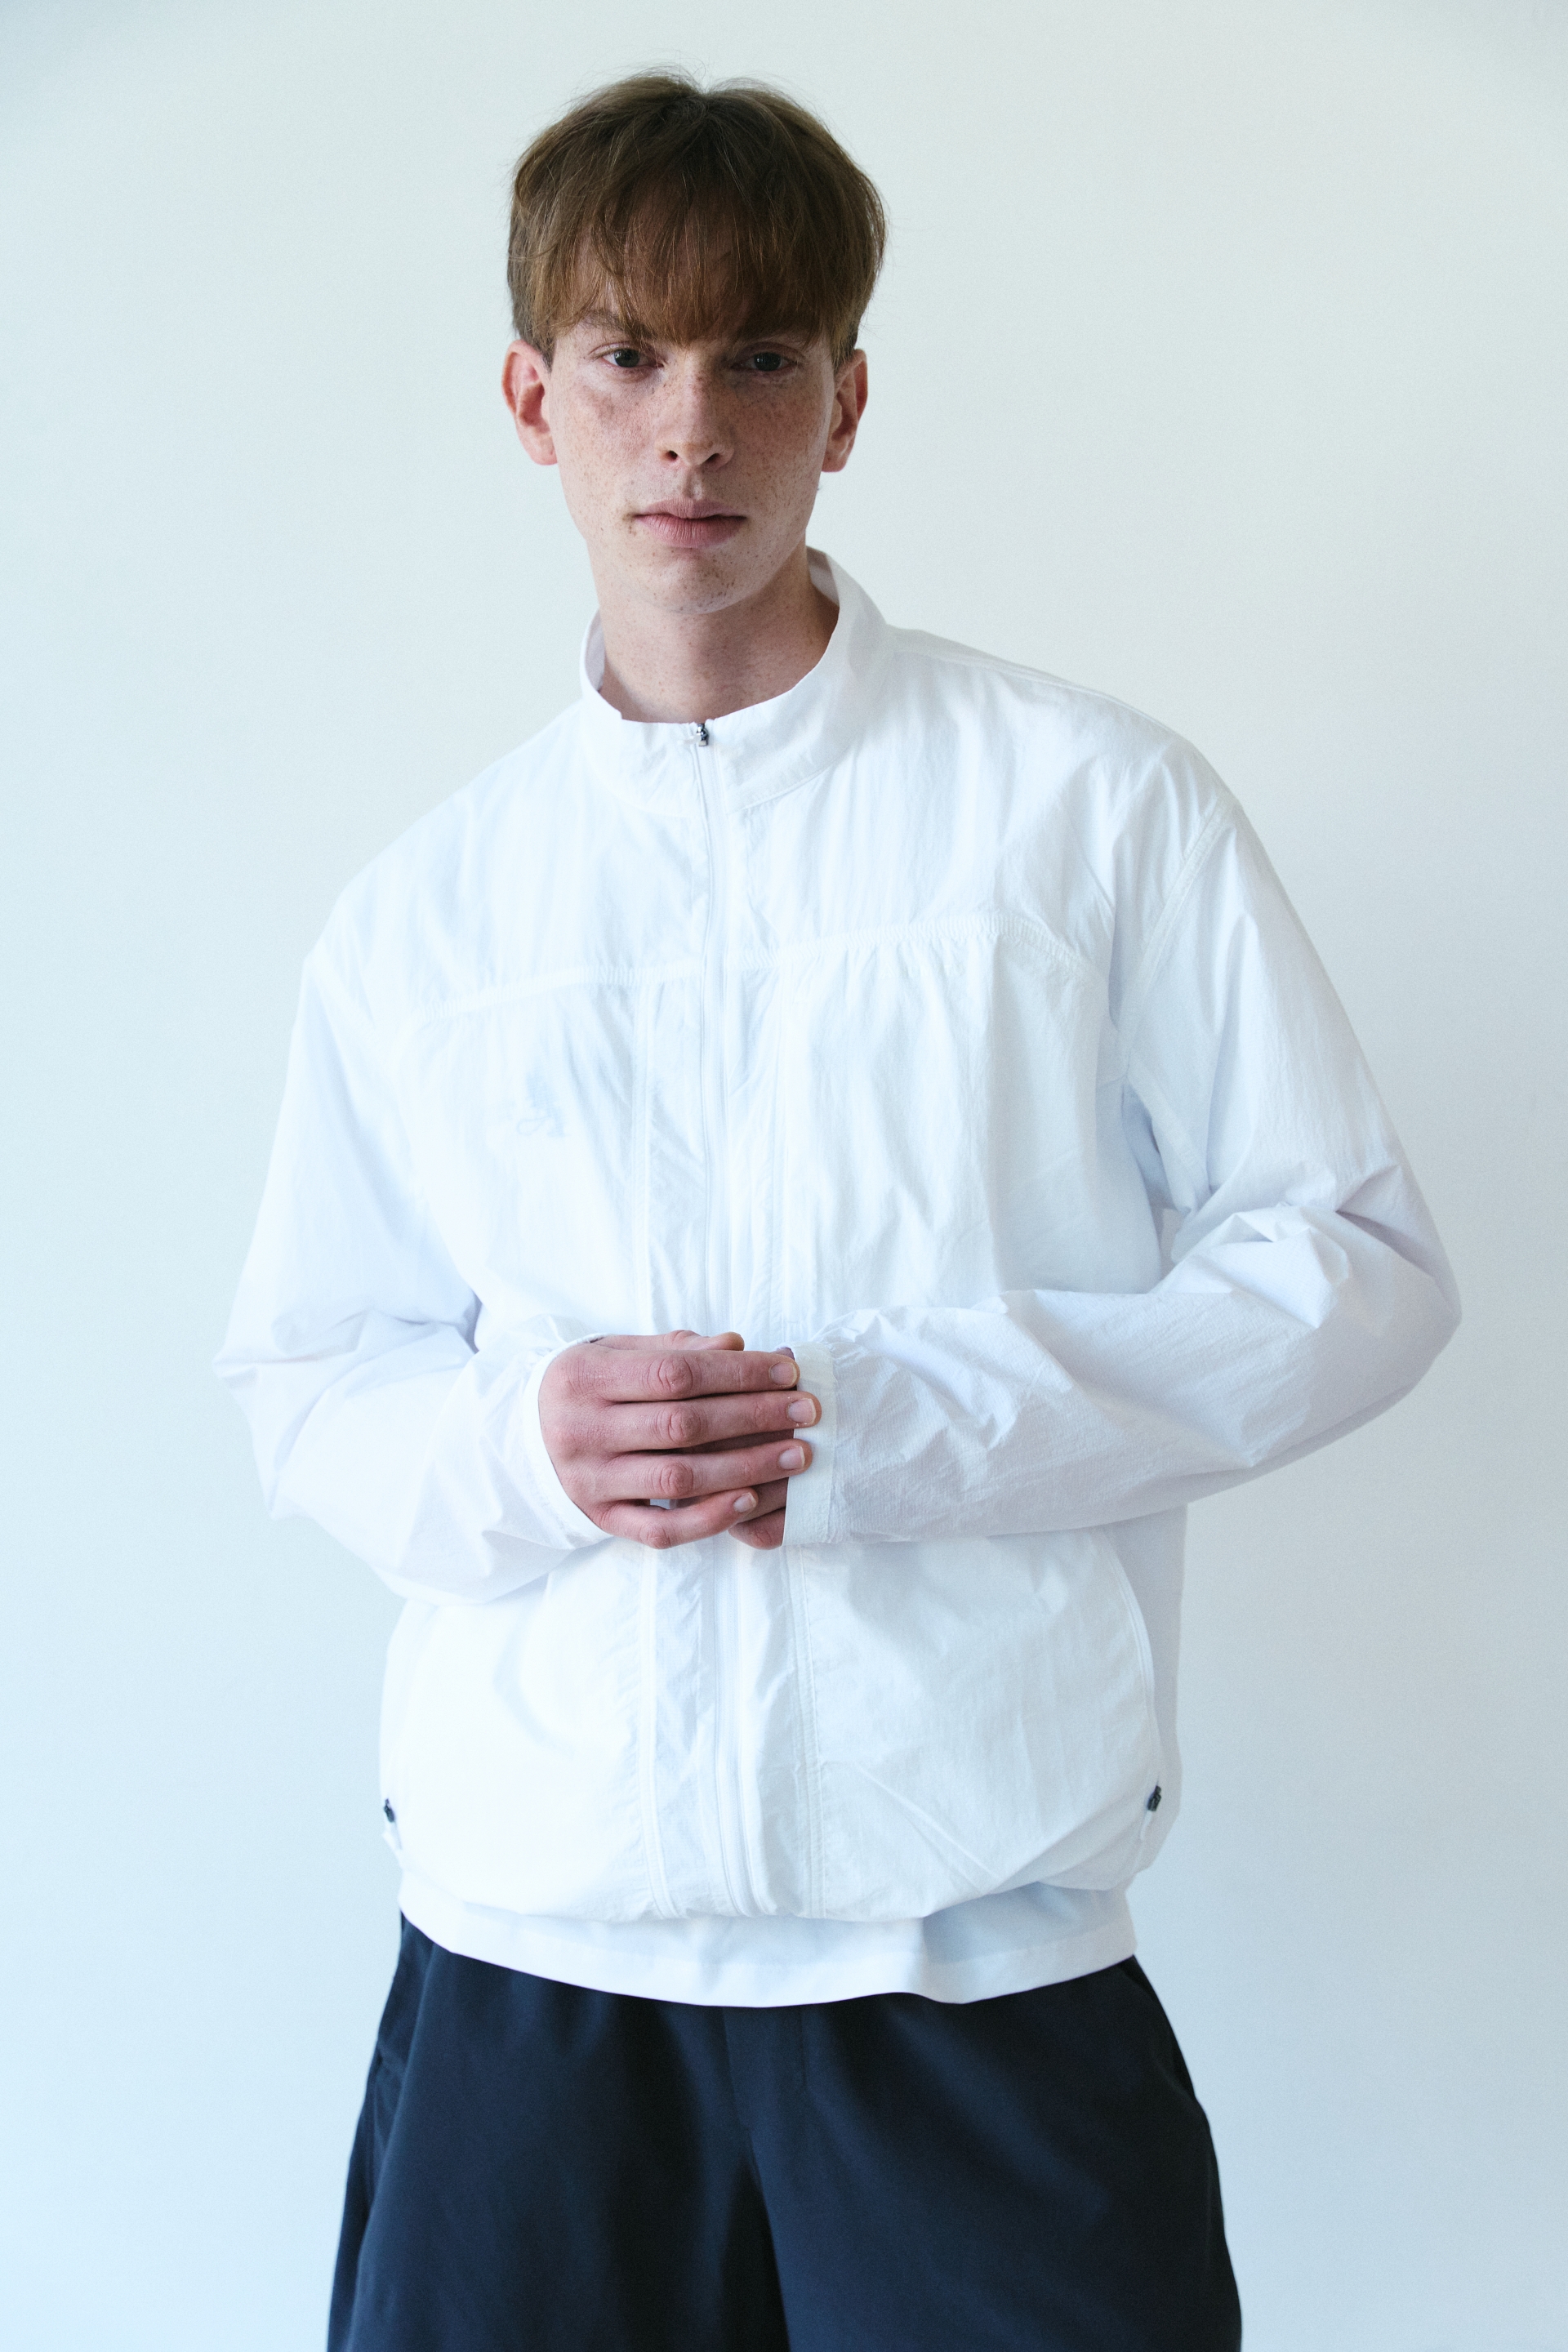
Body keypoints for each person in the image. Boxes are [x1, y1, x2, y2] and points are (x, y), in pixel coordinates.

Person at [217, 70, 1459, 2352]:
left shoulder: (1090, 812)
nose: (691, 427)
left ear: (846, 405)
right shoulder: (428, 917)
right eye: (628, 355)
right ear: (535, 400)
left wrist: (902, 1420)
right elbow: (310, 1379)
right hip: (534, 1969)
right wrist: (523, 1447)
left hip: (972, 1948)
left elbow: (1353, 1265)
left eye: (759, 357)